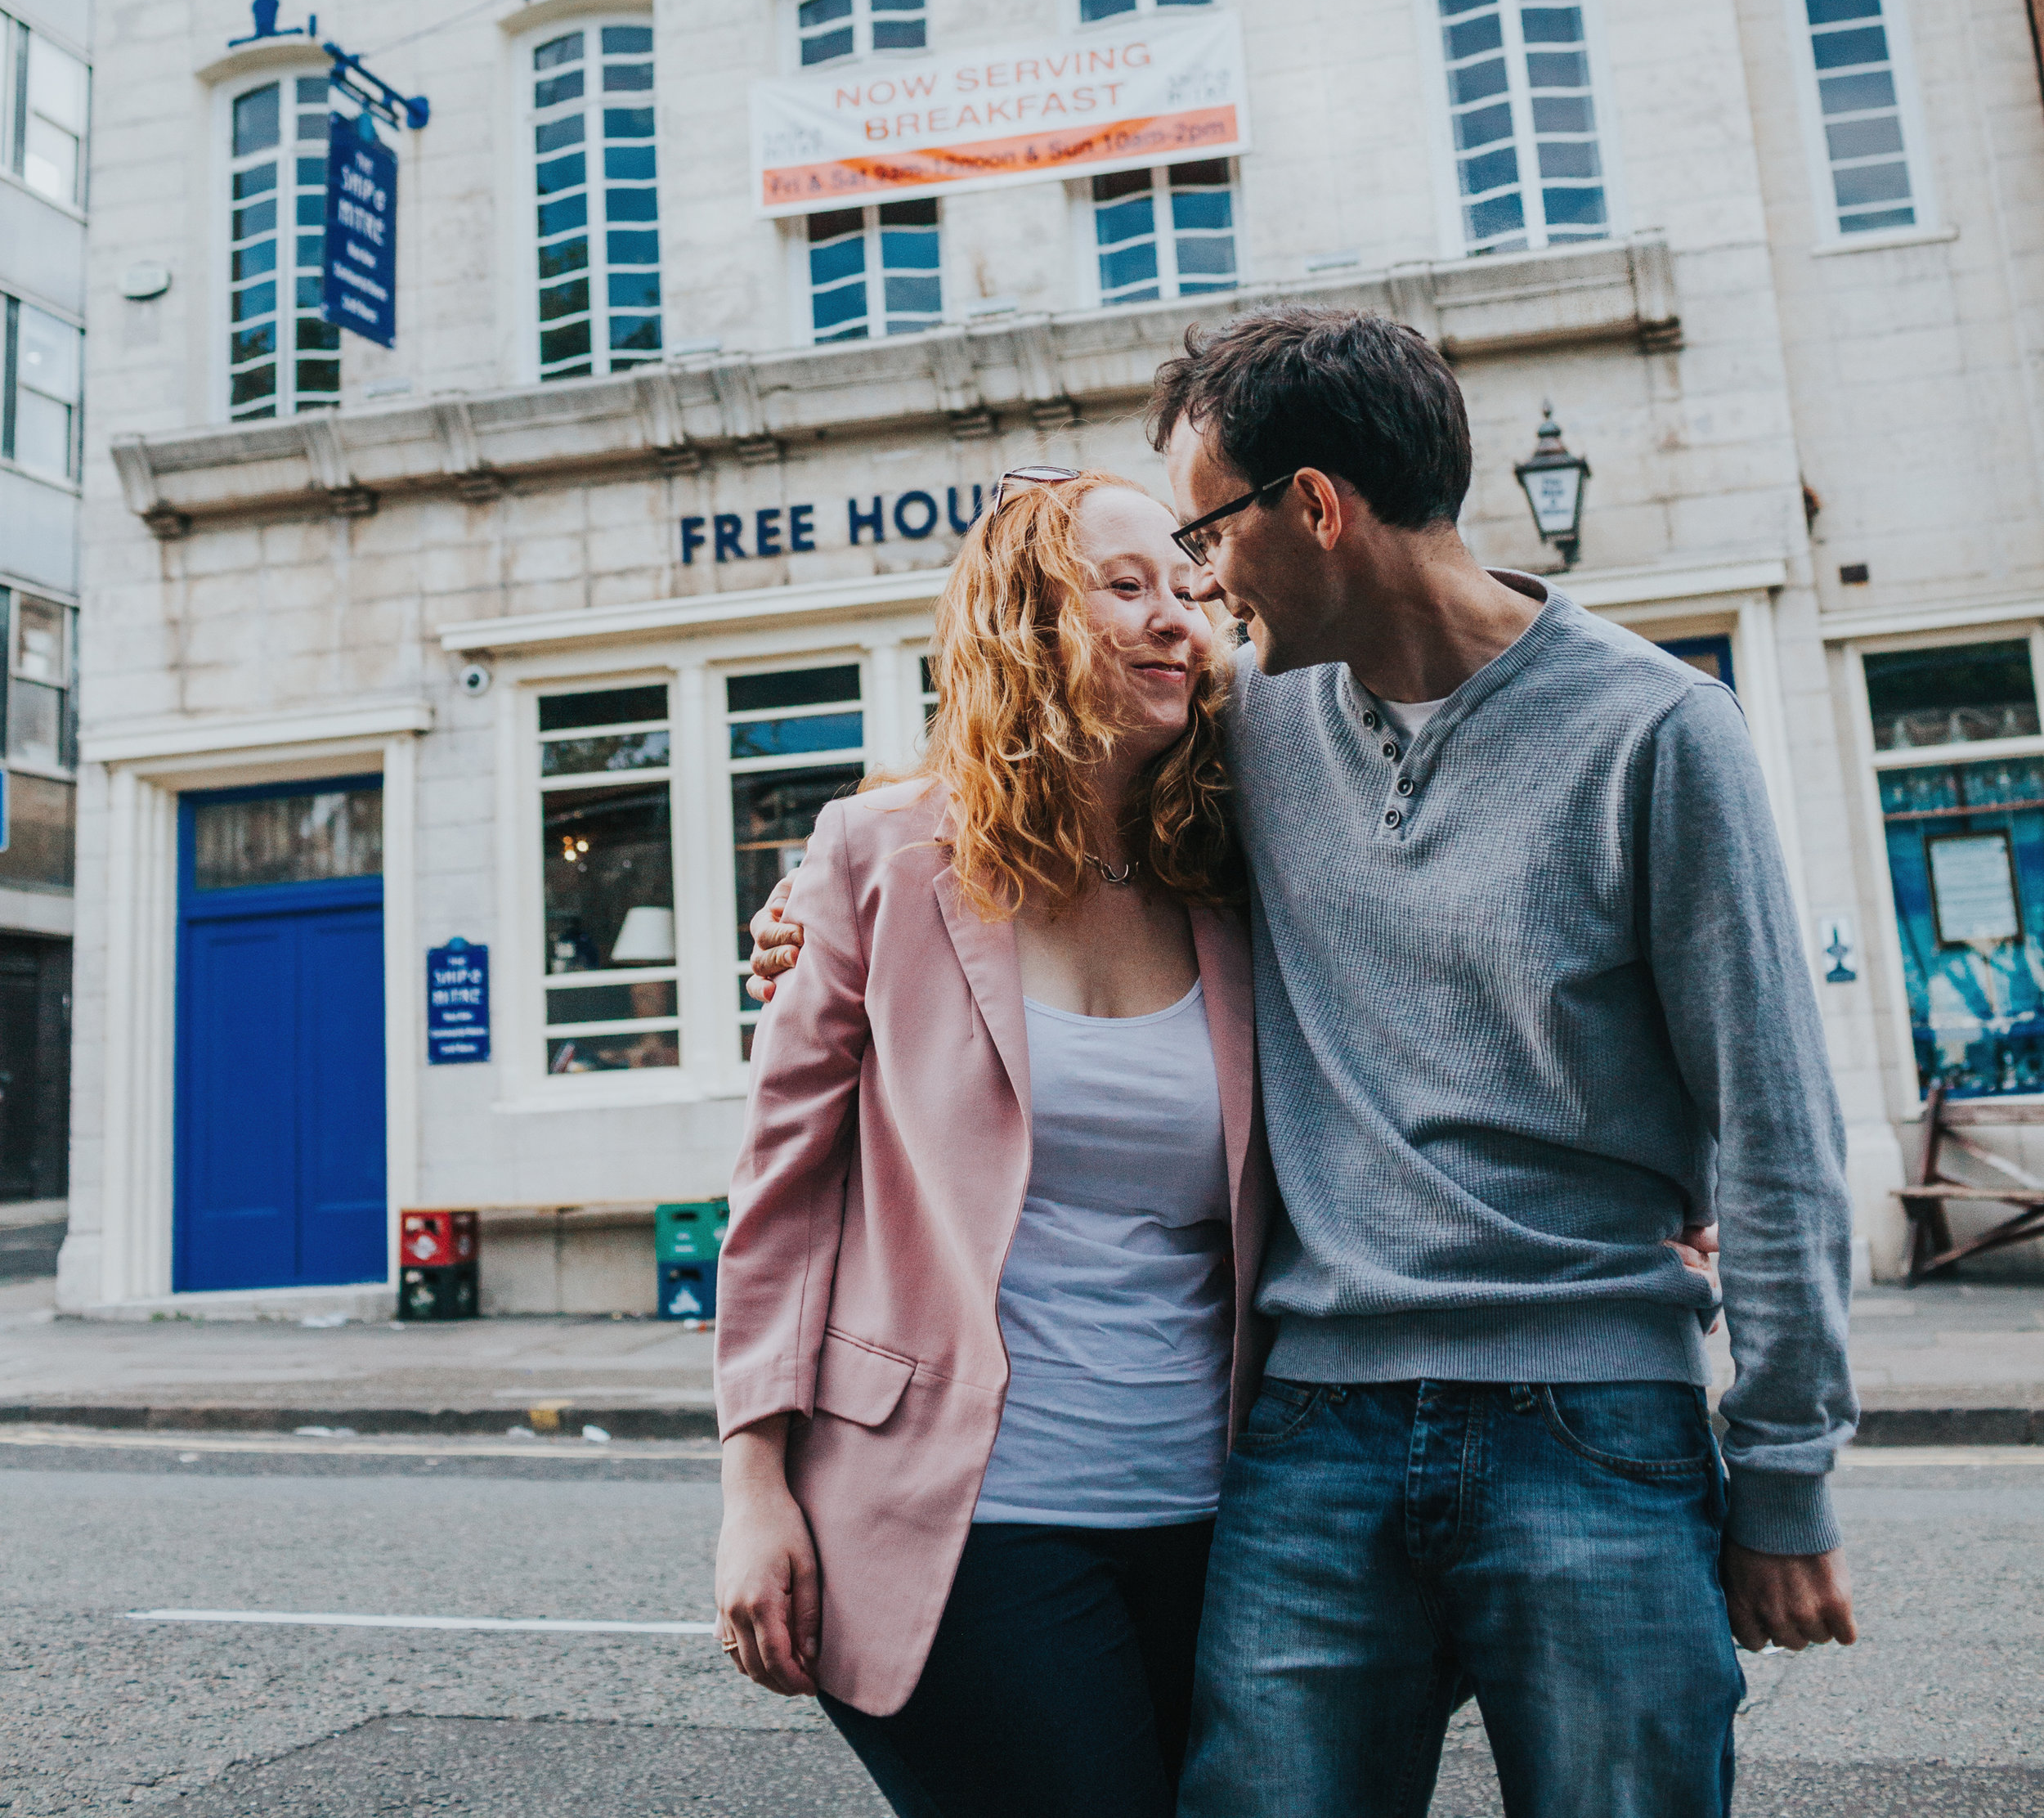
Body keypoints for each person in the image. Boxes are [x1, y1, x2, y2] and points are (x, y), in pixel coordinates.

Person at [753, 307, 1859, 1818]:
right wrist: (816, 917)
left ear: (1316, 507)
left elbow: (1776, 1133)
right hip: (1310, 1429)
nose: (1196, 587)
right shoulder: (1252, 733)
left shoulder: (1662, 732)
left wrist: (1786, 1473)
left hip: (1592, 1414)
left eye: (1206, 532)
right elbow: (1022, 778)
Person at [712, 469, 1275, 1818]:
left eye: (1191, 591)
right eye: (1125, 586)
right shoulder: (879, 855)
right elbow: (783, 1191)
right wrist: (751, 1484)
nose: (1174, 621)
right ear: (1025, 622)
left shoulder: (1242, 862)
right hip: (964, 1522)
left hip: (1226, 1517)